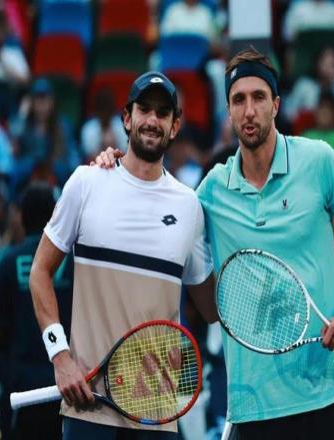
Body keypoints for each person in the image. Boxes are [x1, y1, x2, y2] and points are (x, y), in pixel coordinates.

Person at [96, 47, 334, 439]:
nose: (249, 111)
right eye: (238, 100)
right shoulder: (210, 192)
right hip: (252, 408)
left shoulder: (319, 161)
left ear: (276, 105)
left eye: (258, 97)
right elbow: (206, 302)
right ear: (228, 112)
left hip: (327, 397)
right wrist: (114, 167)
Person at [29, 71, 217, 440]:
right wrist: (60, 356)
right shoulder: (86, 183)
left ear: (175, 126)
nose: (152, 120)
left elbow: (211, 308)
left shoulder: (190, 206)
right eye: (144, 109)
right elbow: (40, 272)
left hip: (156, 414)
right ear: (127, 118)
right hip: (89, 409)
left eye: (162, 113)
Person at [0, 182, 72, 440]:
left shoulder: (7, 261)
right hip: (67, 379)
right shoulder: (73, 261)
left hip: (21, 381)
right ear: (54, 216)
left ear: (22, 218)